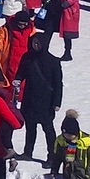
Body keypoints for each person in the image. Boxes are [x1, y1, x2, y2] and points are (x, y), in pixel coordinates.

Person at [16, 32, 63, 164]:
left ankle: (52, 157)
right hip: (30, 99)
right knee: (30, 128)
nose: (35, 45)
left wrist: (57, 102)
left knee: (48, 130)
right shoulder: (27, 57)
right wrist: (18, 80)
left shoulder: (53, 61)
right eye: (34, 42)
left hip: (46, 101)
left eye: (38, 43)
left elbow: (58, 83)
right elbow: (21, 73)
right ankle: (28, 152)